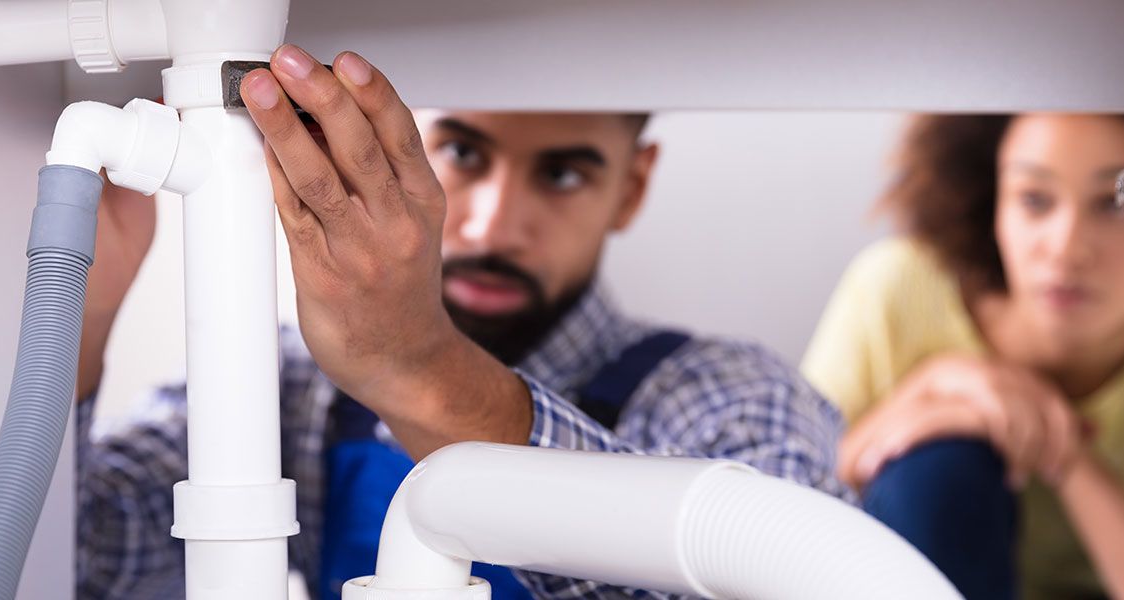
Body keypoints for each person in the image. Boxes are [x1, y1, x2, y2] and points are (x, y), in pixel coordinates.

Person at [76, 44, 848, 599]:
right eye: (464, 153)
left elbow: (787, 575)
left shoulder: (732, 397)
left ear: (632, 188)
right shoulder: (293, 387)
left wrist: (414, 367)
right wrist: (85, 316)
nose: (493, 225)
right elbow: (82, 560)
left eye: (564, 173)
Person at [801, 113, 1124, 600]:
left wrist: (1064, 452)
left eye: (1114, 203)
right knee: (942, 465)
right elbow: (789, 510)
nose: (1066, 248)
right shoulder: (896, 291)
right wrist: (934, 387)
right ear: (993, 203)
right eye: (1034, 200)